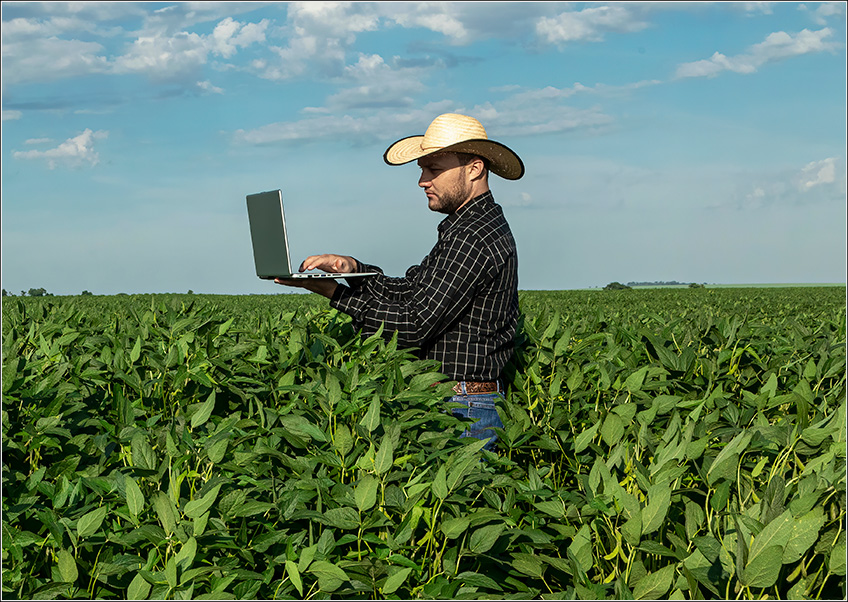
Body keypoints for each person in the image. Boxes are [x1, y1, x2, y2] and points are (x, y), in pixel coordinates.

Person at [275, 113, 524, 450]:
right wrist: (351, 268)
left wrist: (335, 294)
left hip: (463, 410)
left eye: (433, 169)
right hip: (460, 402)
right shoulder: (469, 227)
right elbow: (412, 289)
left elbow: (414, 324)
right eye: (422, 170)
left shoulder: (472, 236)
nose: (422, 180)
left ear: (474, 169)